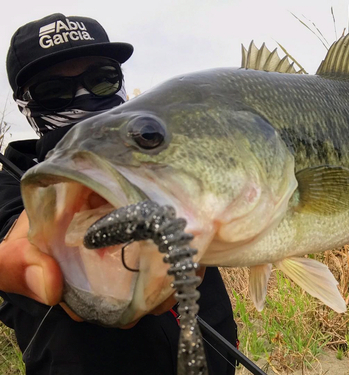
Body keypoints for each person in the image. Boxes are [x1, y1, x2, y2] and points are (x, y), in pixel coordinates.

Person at [0, 13, 237, 375]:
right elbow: (24, 241)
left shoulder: (163, 148)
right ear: (25, 106)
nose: (82, 97)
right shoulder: (11, 187)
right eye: (53, 92)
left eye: (101, 80)